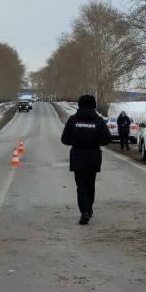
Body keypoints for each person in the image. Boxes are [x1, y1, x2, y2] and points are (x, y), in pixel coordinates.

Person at [61, 94, 111, 225]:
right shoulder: (99, 121)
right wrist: (95, 141)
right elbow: (106, 139)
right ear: (94, 105)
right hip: (93, 156)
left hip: (78, 156)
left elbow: (64, 139)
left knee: (81, 186)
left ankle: (84, 211)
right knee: (90, 184)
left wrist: (76, 141)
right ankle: (88, 208)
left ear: (79, 105)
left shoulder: (73, 120)